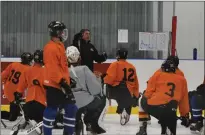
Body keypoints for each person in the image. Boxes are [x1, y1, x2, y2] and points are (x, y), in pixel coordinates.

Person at [136, 60, 190, 135]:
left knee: (141, 100)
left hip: (155, 108)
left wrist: (145, 95)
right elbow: (184, 100)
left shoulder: (157, 75)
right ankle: (167, 128)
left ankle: (142, 128)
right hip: (171, 109)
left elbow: (148, 94)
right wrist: (185, 116)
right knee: (169, 115)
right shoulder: (182, 80)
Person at [43, 21, 77, 135]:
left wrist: (68, 79)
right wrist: (62, 82)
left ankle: (68, 133)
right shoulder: (50, 48)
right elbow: (52, 69)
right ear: (56, 32)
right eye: (62, 31)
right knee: (52, 109)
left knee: (71, 108)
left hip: (62, 83)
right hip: (54, 84)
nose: (64, 33)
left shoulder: (61, 46)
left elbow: (62, 66)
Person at [66, 46, 106, 135]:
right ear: (79, 58)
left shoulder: (63, 71)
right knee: (101, 100)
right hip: (85, 102)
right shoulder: (84, 69)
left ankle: (76, 126)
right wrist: (98, 79)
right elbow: (95, 89)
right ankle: (90, 122)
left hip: (69, 103)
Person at [103, 48, 139, 125]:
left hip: (117, 90)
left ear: (118, 55)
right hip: (129, 91)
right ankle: (127, 113)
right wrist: (136, 95)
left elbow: (109, 79)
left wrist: (103, 79)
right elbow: (136, 83)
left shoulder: (115, 64)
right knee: (127, 101)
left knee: (117, 96)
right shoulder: (132, 66)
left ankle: (120, 111)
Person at [14, 50, 46, 134]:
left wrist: (17, 96)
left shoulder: (27, 71)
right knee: (42, 127)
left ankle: (25, 123)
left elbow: (20, 89)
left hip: (28, 105)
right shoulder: (46, 72)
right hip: (41, 105)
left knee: (32, 125)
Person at [1, 52, 33, 121]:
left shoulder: (13, 64)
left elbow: (3, 76)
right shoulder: (29, 69)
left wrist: (5, 82)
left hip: (8, 89)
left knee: (17, 110)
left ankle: (17, 111)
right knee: (12, 118)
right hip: (16, 93)